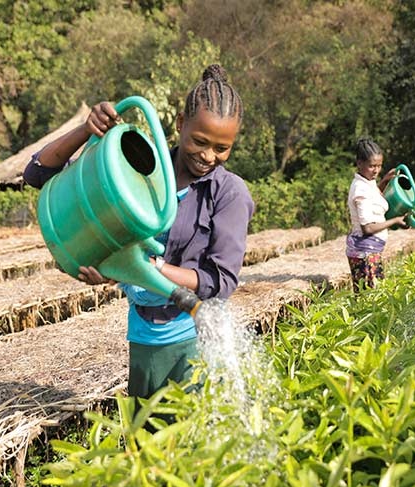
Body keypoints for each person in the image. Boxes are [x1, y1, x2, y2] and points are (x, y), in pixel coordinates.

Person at [23, 64, 254, 402]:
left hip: (190, 333)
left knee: (186, 444)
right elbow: (38, 173)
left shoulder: (229, 193)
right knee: (144, 442)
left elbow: (220, 280)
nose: (208, 156)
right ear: (179, 124)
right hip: (142, 332)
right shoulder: (140, 163)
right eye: (200, 142)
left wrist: (151, 268)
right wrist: (85, 130)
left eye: (222, 148)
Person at [345, 137, 408, 292]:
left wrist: (384, 181)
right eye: (372, 166)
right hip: (365, 255)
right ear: (359, 163)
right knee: (370, 300)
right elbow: (367, 228)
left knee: (374, 297)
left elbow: (374, 198)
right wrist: (395, 220)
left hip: (370, 252)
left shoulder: (367, 181)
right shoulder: (360, 189)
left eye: (379, 166)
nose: (376, 170)